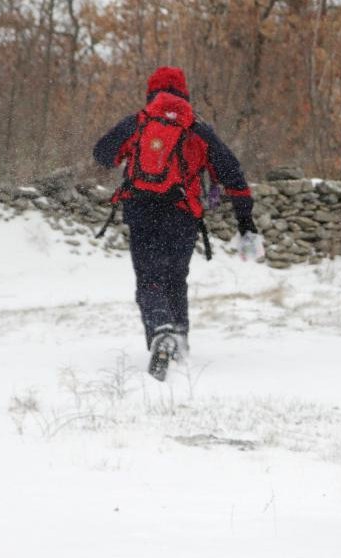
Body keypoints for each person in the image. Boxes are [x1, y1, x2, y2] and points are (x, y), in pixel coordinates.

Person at [93, 66, 257, 380]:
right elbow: (232, 172)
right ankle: (179, 339)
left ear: (151, 92)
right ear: (184, 93)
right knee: (175, 277)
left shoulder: (138, 122)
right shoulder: (198, 129)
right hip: (182, 214)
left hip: (141, 211)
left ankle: (160, 331)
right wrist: (245, 220)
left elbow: (102, 153)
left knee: (150, 279)